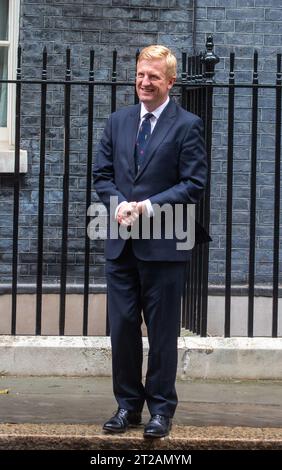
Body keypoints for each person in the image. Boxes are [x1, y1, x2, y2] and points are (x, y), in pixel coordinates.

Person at [93, 45, 209, 438]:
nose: (145, 82)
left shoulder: (187, 125)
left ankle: (161, 409)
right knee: (123, 327)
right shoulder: (118, 121)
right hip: (121, 243)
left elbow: (194, 184)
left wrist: (147, 205)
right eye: (141, 74)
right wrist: (120, 203)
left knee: (161, 332)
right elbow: (102, 176)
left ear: (170, 82)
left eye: (154, 77)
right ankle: (127, 406)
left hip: (164, 243)